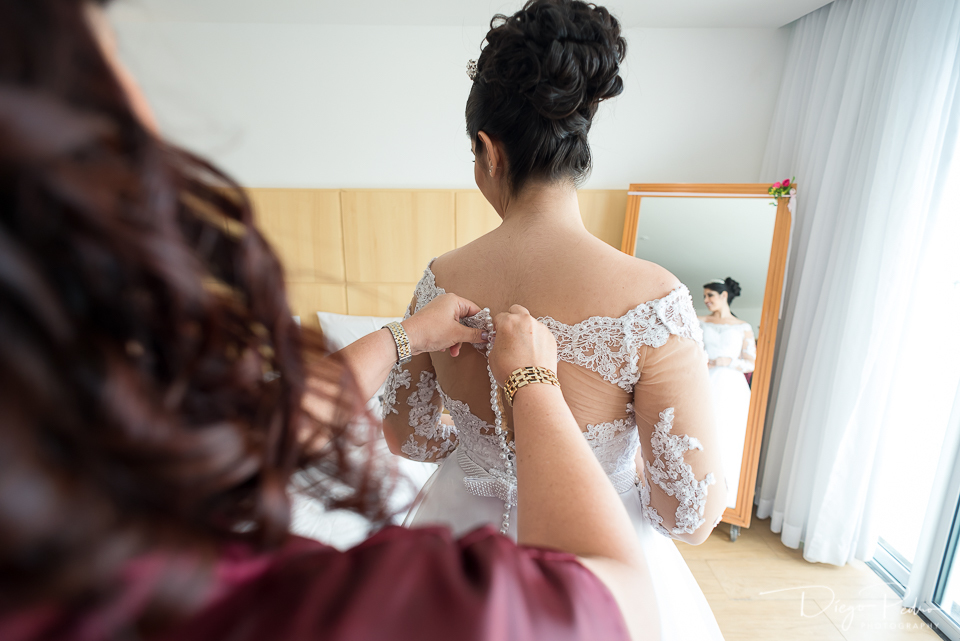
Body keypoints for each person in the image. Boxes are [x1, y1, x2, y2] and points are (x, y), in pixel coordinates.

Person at [0, 1, 661, 639]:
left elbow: (333, 431)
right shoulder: (655, 295)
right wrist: (530, 381)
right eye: (113, 59)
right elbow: (628, 592)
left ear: (487, 151)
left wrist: (410, 338)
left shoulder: (74, 476)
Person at [380, 1, 726, 639]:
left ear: (488, 151)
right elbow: (691, 514)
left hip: (459, 552)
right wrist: (623, 473)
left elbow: (409, 437)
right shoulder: (653, 300)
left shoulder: (442, 278)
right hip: (597, 566)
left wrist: (482, 452)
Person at [700, 278, 757, 509]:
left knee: (728, 433)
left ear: (724, 296)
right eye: (704, 296)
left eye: (710, 295)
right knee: (702, 430)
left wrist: (728, 362)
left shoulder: (743, 327)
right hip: (705, 379)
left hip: (731, 385)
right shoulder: (699, 321)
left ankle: (726, 498)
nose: (706, 300)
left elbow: (751, 363)